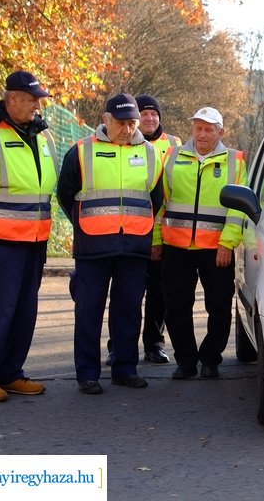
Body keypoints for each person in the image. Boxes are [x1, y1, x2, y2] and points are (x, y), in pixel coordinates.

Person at [58, 93, 164, 394]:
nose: (128, 129)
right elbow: (66, 194)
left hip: (134, 247)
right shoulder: (81, 150)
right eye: (121, 123)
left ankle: (125, 368)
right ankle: (88, 374)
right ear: (106, 120)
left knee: (129, 311)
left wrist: (140, 229)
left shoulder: (150, 153)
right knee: (88, 311)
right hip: (93, 247)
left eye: (132, 123)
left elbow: (155, 198)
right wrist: (83, 224)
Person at [0, 71, 58, 402]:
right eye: (32, 99)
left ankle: (10, 373)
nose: (37, 105)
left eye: (39, 99)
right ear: (12, 99)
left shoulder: (42, 135)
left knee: (24, 311)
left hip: (35, 241)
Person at [157, 107, 248, 380]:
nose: (202, 134)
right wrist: (155, 240)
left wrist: (227, 243)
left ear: (221, 132)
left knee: (219, 307)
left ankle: (211, 359)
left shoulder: (236, 162)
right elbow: (160, 202)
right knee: (176, 307)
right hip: (176, 246)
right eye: (198, 128)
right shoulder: (171, 157)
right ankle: (185, 361)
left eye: (209, 129)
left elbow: (238, 209)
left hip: (215, 250)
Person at [126, 94, 181, 364]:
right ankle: (120, 346)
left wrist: (159, 237)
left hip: (163, 234)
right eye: (144, 114)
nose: (149, 118)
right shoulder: (123, 141)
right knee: (128, 294)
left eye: (154, 114)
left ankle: (154, 345)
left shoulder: (173, 145)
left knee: (159, 294)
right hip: (131, 232)